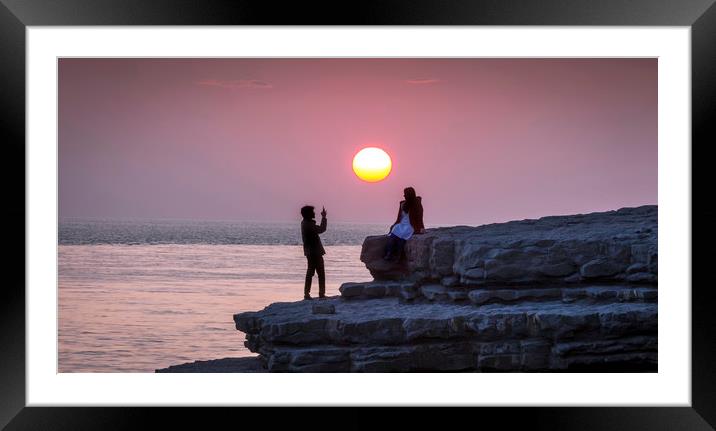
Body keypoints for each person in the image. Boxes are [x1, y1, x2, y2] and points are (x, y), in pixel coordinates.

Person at [384, 187, 425, 261]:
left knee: (402, 236)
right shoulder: (402, 204)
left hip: (411, 225)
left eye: (405, 194)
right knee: (393, 234)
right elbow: (398, 218)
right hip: (401, 224)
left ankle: (399, 256)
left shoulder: (417, 204)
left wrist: (421, 227)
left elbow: (420, 217)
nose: (404, 196)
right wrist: (394, 225)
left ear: (409, 195)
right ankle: (389, 253)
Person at [300, 205, 328, 300]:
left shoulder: (305, 223)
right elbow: (321, 229)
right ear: (308, 214)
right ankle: (318, 293)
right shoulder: (308, 224)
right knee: (318, 273)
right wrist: (324, 217)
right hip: (314, 252)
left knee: (311, 272)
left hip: (311, 252)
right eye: (312, 212)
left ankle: (309, 293)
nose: (314, 213)